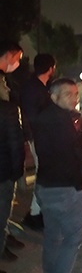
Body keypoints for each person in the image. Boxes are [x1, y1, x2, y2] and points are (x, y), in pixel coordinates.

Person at [31, 78, 82, 273]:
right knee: (73, 238)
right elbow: (70, 156)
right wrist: (79, 184)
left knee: (53, 236)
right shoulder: (60, 120)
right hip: (65, 188)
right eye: (68, 94)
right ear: (54, 97)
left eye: (75, 93)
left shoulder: (47, 116)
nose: (74, 98)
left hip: (46, 185)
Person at [20, 53, 56, 231]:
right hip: (39, 137)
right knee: (42, 174)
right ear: (51, 69)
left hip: (38, 136)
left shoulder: (35, 86)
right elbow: (33, 117)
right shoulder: (35, 89)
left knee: (43, 173)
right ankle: (34, 214)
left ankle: (36, 212)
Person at [0, 41, 24, 267]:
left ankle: (5, 240)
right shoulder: (8, 110)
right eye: (16, 58)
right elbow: (14, 143)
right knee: (2, 209)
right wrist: (18, 171)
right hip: (4, 168)